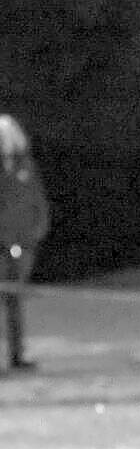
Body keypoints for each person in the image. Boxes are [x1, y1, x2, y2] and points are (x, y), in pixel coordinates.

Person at [0, 115, 49, 373]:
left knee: (15, 299)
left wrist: (40, 225)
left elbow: (36, 197)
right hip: (1, 243)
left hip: (22, 242)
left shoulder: (25, 164)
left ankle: (17, 355)